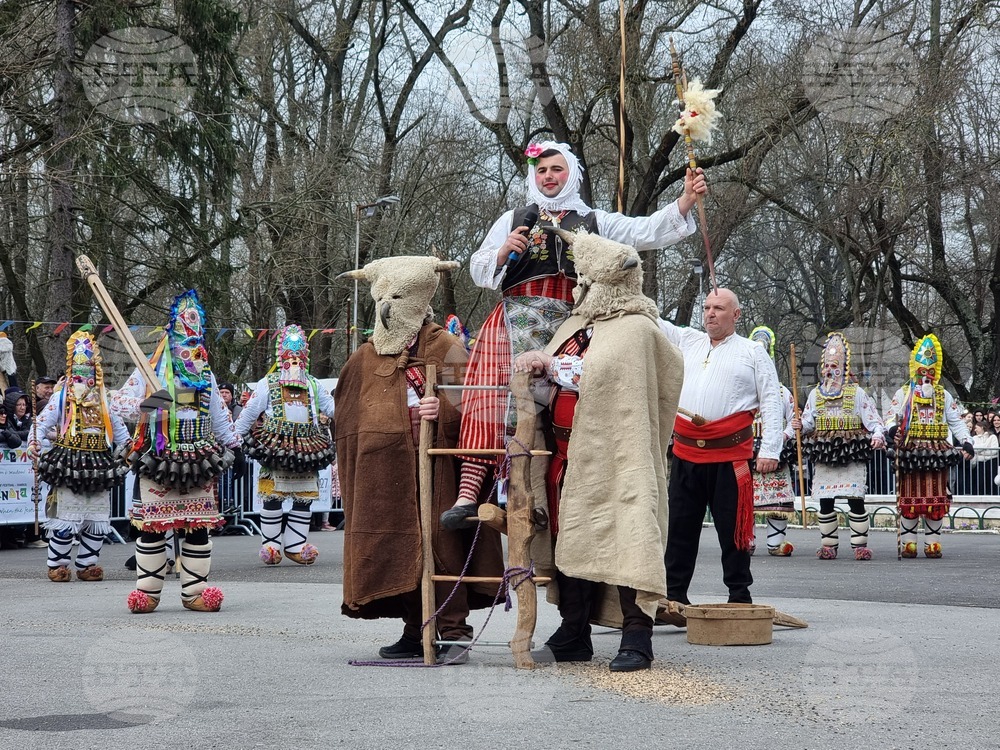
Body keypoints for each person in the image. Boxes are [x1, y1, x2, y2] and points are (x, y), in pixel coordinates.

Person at [441, 142, 706, 528]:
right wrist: (501, 253)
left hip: (572, 323)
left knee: (572, 410)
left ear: (572, 175)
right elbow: (479, 269)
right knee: (487, 398)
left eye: (557, 169)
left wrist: (684, 201)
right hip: (513, 319)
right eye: (541, 170)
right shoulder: (513, 218)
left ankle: (561, 501)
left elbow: (643, 230)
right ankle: (469, 496)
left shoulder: (595, 221)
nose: (548, 176)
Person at [515, 229, 682, 672]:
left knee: (628, 537)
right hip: (567, 457)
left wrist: (554, 365)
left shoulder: (638, 330)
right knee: (571, 537)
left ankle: (637, 636)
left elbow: (607, 379)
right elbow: (553, 386)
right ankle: (574, 631)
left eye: (584, 279)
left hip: (618, 457)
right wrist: (535, 373)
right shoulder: (575, 326)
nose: (577, 287)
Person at [336, 256, 503, 664]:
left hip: (436, 467)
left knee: (441, 544)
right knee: (399, 545)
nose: (387, 307)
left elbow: (478, 407)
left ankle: (454, 632)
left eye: (397, 298)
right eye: (382, 298)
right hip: (386, 471)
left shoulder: (446, 347)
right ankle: (416, 630)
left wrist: (441, 410)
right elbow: (348, 415)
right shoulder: (366, 356)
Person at [109, 290, 244, 612]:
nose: (191, 349)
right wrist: (149, 404)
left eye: (196, 342)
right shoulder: (149, 370)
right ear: (171, 341)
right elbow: (117, 404)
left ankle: (195, 593)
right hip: (157, 458)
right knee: (151, 528)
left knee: (197, 528)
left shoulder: (206, 375)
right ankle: (147, 593)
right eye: (185, 341)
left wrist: (234, 446)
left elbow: (219, 415)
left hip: (199, 459)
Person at [657, 289, 782, 607]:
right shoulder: (689, 340)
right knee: (679, 528)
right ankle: (673, 595)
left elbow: (771, 400)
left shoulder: (753, 351)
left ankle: (739, 594)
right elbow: (653, 322)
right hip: (686, 453)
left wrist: (770, 449)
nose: (710, 313)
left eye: (719, 308)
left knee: (733, 530)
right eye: (707, 307)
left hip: (730, 456)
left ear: (736, 315)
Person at [30, 332, 130, 581]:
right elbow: (41, 423)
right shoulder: (61, 397)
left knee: (97, 517)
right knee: (67, 517)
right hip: (69, 463)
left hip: (99, 464)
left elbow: (119, 430)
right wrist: (34, 442)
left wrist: (129, 448)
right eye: (79, 370)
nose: (84, 376)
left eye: (89, 369)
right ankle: (58, 565)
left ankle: (87, 564)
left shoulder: (104, 399)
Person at [235, 325, 336, 565]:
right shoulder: (268, 383)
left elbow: (333, 408)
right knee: (273, 495)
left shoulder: (313, 384)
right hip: (275, 448)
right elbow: (250, 412)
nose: (294, 361)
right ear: (281, 358)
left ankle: (295, 545)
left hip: (307, 447)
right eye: (290, 357)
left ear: (305, 358)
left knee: (304, 497)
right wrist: (234, 441)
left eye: (299, 357)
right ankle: (270, 546)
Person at [792, 332, 885, 560]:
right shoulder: (815, 394)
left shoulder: (857, 393)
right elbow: (808, 422)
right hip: (825, 451)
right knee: (825, 500)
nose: (829, 371)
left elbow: (874, 421)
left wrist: (877, 435)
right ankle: (828, 545)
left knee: (855, 499)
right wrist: (799, 425)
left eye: (834, 366)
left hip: (851, 451)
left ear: (843, 368)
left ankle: (859, 546)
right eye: (826, 366)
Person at [884, 334, 972, 558]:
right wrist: (892, 429)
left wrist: (967, 442)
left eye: (930, 373)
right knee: (909, 496)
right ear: (915, 370)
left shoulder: (944, 395)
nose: (926, 377)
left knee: (937, 497)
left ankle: (933, 543)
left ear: (936, 373)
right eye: (922, 372)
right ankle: (909, 543)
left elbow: (956, 422)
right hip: (910, 452)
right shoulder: (904, 393)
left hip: (937, 452)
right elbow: (890, 417)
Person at [747, 326, 797, 556]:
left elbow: (795, 419)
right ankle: (745, 541)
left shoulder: (782, 392)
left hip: (775, 450)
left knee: (777, 501)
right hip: (746, 449)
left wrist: (784, 435)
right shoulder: (742, 389)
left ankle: (775, 543)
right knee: (744, 499)